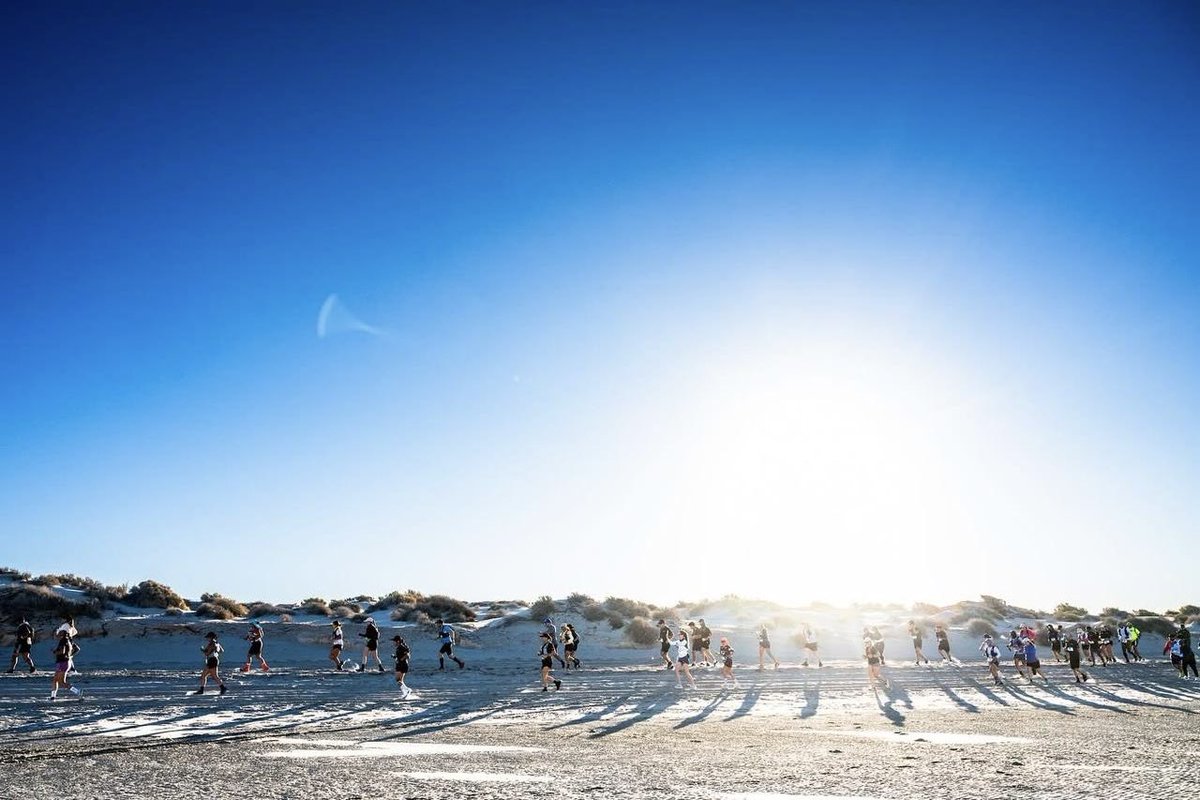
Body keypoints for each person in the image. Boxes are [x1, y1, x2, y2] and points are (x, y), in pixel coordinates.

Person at [48, 629, 81, 701]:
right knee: (55, 680)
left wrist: (54, 652)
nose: (58, 633)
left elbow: (62, 652)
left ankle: (78, 691)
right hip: (64, 662)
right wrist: (70, 655)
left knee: (61, 682)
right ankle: (52, 697)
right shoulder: (68, 641)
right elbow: (77, 649)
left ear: (62, 635)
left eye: (59, 633)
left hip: (63, 662)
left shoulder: (63, 641)